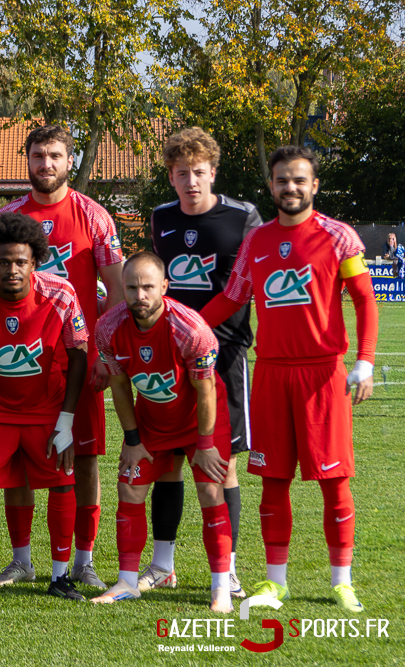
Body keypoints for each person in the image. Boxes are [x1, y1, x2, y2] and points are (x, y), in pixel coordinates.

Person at [201, 145, 378, 613]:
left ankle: (343, 581)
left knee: (334, 481)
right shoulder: (256, 242)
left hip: (323, 377)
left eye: (299, 180)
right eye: (282, 181)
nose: (291, 188)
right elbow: (230, 298)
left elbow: (364, 298)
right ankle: (276, 583)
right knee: (273, 479)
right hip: (272, 376)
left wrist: (365, 361)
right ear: (272, 186)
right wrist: (187, 326)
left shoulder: (339, 238)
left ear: (314, 185)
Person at [0, 125, 124, 590]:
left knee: (83, 460)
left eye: (55, 156)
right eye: (38, 155)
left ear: (70, 161)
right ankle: (22, 559)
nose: (46, 164)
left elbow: (119, 290)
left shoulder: (94, 216)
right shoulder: (6, 218)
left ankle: (83, 561)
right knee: (20, 463)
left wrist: (103, 350)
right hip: (19, 361)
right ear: (26, 159)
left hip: (77, 360)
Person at [146, 127, 262, 599]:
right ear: (171, 178)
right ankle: (162, 564)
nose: (191, 181)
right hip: (170, 356)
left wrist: (193, 327)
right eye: (181, 174)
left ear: (213, 172)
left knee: (222, 467)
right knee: (166, 461)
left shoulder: (244, 217)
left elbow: (242, 288)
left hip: (225, 353)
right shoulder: (160, 217)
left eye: (199, 172)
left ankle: (227, 567)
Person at [0, 212, 89, 601]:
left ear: (35, 262)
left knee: (62, 482)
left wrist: (66, 420)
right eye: (4, 262)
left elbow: (79, 355)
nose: (12, 270)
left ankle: (60, 577)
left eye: (21, 262)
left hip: (47, 409)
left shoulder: (60, 294)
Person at [91, 252, 234, 612]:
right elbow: (120, 387)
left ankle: (221, 587)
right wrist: (133, 440)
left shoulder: (191, 329)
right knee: (129, 486)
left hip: (199, 421)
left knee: (210, 488)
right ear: (122, 288)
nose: (140, 295)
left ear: (165, 287)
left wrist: (204, 445)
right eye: (133, 287)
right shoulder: (108, 327)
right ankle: (127, 581)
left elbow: (205, 391)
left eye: (148, 287)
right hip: (152, 421)